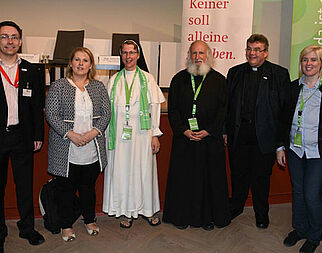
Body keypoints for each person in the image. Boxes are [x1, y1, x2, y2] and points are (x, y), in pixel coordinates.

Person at [163, 40, 230, 231]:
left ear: (208, 55)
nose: (197, 57)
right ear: (189, 55)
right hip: (185, 140)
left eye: (201, 53)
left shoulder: (219, 80)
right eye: (194, 53)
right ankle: (181, 216)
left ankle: (206, 218)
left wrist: (209, 130)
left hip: (209, 140)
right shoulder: (178, 79)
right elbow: (173, 109)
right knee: (184, 180)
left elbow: (223, 110)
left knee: (208, 180)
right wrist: (183, 129)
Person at [224, 34, 290, 228]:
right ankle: (236, 207)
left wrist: (280, 143)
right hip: (239, 134)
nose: (252, 53)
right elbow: (227, 105)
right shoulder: (234, 72)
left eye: (257, 49)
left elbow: (284, 111)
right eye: (249, 49)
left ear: (266, 52)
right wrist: (225, 131)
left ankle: (262, 214)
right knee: (238, 174)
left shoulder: (279, 74)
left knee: (261, 178)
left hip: (265, 137)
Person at [45, 47, 111, 242]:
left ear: (91, 65)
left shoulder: (98, 87)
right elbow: (51, 114)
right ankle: (66, 225)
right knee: (66, 189)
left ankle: (89, 220)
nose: (81, 63)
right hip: (66, 148)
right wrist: (70, 134)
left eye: (85, 60)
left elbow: (106, 113)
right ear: (71, 63)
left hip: (91, 147)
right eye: (77, 60)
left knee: (88, 187)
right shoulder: (59, 86)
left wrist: (92, 133)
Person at [276, 45, 322, 253]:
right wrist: (280, 147)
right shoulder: (293, 88)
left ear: (321, 63)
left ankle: (314, 235)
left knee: (311, 194)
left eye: (313, 60)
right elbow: (282, 120)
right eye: (305, 60)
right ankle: (300, 229)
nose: (308, 64)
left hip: (320, 152)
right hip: (295, 149)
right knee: (299, 191)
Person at [102, 40, 165, 228]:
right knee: (122, 172)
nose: (128, 57)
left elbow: (155, 108)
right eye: (125, 53)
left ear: (138, 55)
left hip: (142, 135)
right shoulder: (113, 80)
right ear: (121, 56)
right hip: (119, 136)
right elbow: (107, 111)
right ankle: (126, 211)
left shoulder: (148, 79)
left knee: (144, 172)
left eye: (132, 53)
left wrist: (155, 134)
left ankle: (147, 210)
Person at [0, 21, 45, 250]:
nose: (10, 41)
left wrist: (39, 135)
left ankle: (27, 227)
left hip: (22, 136)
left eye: (14, 37)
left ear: (20, 40)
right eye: (5, 37)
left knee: (24, 185)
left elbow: (37, 106)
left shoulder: (31, 70)